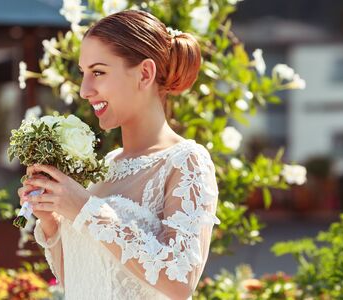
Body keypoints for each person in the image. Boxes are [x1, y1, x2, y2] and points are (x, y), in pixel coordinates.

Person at [18, 10, 220, 300]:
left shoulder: (186, 161)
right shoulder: (106, 165)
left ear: (145, 74)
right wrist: (50, 219)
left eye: (98, 72)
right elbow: (81, 277)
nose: (85, 90)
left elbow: (179, 280)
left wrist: (84, 207)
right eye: (83, 73)